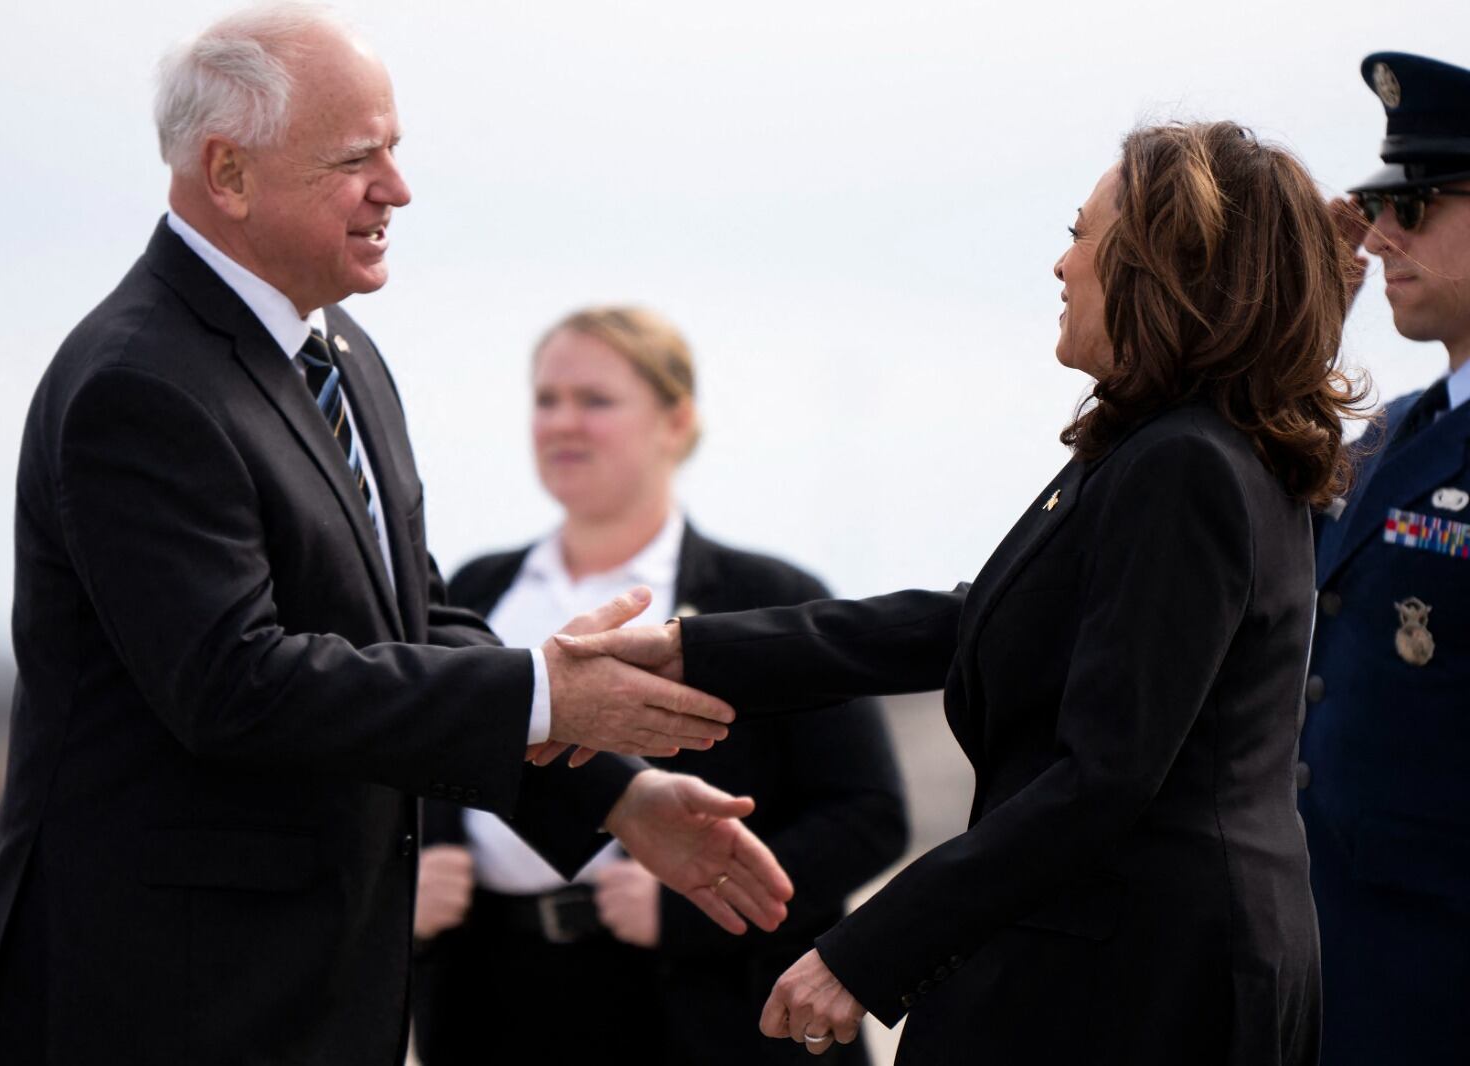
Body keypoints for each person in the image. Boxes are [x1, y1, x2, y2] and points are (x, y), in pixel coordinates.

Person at [0, 8, 793, 1065]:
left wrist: (614, 792)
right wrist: (543, 692)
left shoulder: (341, 352)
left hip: (318, 996)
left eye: (394, 149)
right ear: (228, 173)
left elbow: (412, 621)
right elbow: (234, 685)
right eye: (357, 158)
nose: (397, 188)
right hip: (169, 1002)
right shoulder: (140, 383)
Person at [566, 121, 1362, 1065]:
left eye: (1082, 235)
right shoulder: (1177, 447)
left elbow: (1102, 779)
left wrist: (866, 953)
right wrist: (692, 650)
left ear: (1166, 267)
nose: (1061, 265)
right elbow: (974, 618)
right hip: (1132, 962)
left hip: (1138, 986)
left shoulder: (1184, 464)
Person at [408, 307, 909, 1065]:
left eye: (595, 399)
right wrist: (408, 887)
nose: (562, 421)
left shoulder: (767, 597)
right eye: (546, 399)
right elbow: (415, 755)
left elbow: (869, 816)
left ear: (675, 422)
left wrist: (689, 911)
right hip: (490, 997)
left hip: (710, 1011)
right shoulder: (473, 592)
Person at [1297, 52, 1470, 1065]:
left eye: (1414, 206)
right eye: (1373, 208)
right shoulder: (1392, 433)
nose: (1377, 237)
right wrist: (1309, 319)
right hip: (1338, 972)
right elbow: (1251, 534)